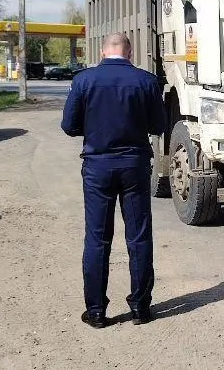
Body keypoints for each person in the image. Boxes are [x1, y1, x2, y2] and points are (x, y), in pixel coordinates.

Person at [61, 33, 166, 328]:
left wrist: (94, 126)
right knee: (139, 236)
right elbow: (158, 125)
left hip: (98, 167)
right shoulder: (146, 81)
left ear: (102, 52)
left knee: (97, 238)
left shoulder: (84, 80)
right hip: (134, 166)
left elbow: (69, 126)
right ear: (130, 53)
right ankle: (140, 308)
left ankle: (96, 312)